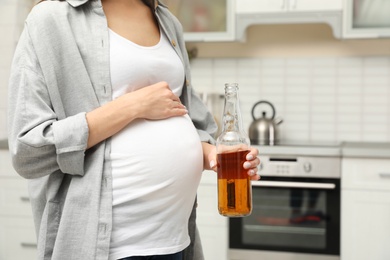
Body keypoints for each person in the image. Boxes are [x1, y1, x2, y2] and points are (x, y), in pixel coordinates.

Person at [7, 0, 261, 260]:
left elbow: (183, 115)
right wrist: (131, 106)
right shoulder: (50, 19)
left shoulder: (167, 21)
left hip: (177, 239)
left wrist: (212, 155)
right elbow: (27, 151)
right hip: (109, 247)